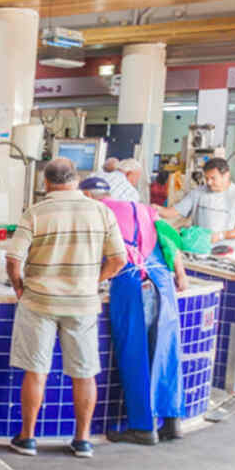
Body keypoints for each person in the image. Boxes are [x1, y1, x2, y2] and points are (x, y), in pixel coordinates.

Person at [5, 158, 127, 458]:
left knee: (36, 371)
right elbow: (119, 260)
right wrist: (92, 281)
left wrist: (19, 286)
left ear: (46, 183)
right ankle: (82, 440)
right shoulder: (101, 211)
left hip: (39, 301)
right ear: (76, 180)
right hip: (82, 303)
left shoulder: (35, 212)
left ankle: (27, 438)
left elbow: (12, 259)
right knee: (84, 373)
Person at [79, 176, 187, 444]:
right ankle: (172, 422)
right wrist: (180, 275)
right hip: (163, 280)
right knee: (166, 350)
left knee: (135, 352)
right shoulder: (142, 207)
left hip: (133, 281)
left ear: (87, 196)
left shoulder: (98, 213)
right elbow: (170, 243)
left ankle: (142, 427)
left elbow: (111, 260)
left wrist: (92, 280)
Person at [157, 158, 235, 259]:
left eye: (213, 178)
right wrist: (154, 209)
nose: (209, 182)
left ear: (226, 175)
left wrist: (222, 235)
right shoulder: (198, 192)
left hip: (227, 254)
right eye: (206, 178)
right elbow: (173, 212)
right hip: (199, 251)